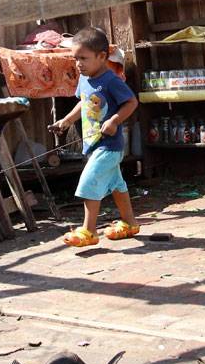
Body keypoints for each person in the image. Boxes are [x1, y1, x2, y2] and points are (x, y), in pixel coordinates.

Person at [49, 27, 140, 247]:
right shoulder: (84, 79)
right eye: (75, 58)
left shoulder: (111, 81)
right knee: (117, 184)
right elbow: (83, 102)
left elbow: (131, 102)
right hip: (94, 143)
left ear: (102, 56)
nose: (78, 63)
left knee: (89, 181)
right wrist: (67, 120)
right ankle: (130, 223)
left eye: (83, 58)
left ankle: (89, 231)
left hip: (109, 145)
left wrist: (114, 121)